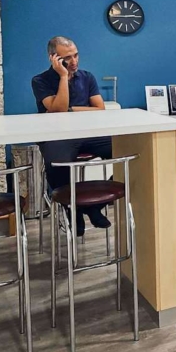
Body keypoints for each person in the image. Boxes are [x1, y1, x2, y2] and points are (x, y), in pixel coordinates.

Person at [31, 36, 112, 237]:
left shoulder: (87, 77)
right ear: (54, 58)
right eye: (67, 58)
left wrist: (71, 109)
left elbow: (99, 108)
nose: (74, 61)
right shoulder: (40, 80)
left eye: (76, 55)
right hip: (56, 135)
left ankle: (94, 205)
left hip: (87, 133)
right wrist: (63, 77)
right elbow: (58, 110)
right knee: (57, 165)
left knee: (130, 148)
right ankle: (73, 209)